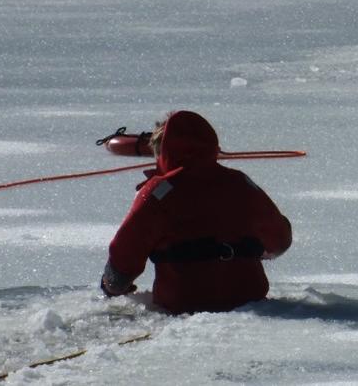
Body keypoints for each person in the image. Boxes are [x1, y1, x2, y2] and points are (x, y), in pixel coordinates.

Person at [100, 110, 292, 314]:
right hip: (248, 301)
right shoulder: (239, 182)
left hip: (182, 305)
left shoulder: (160, 191)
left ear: (162, 151)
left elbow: (127, 250)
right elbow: (280, 239)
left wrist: (112, 285)